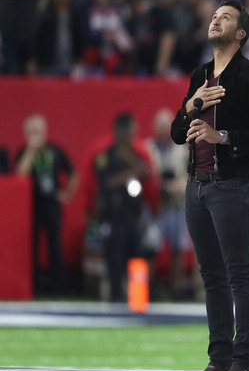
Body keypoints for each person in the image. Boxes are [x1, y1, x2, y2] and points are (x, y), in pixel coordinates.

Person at [173, 0, 249, 371]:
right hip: (197, 183)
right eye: (214, 15)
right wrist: (191, 106)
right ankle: (218, 361)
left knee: (238, 273)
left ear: (241, 34)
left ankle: (246, 362)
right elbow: (174, 131)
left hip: (231, 185)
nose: (216, 20)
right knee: (212, 276)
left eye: (226, 17)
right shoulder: (200, 74)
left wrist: (225, 137)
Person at [92, 113, 153, 303]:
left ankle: (137, 299)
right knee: (115, 260)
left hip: (132, 217)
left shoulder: (135, 155)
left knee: (137, 259)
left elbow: (146, 172)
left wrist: (128, 159)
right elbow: (106, 182)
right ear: (121, 131)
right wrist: (129, 174)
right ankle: (116, 299)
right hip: (113, 216)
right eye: (131, 131)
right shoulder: (105, 157)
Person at [15, 114, 78, 296]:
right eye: (32, 131)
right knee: (30, 248)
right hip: (30, 206)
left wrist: (67, 193)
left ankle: (58, 288)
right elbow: (20, 175)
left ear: (45, 131)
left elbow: (73, 172)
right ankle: (32, 286)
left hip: (52, 204)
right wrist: (30, 151)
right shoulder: (23, 152)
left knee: (55, 247)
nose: (36, 135)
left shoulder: (55, 151)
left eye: (39, 131)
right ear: (26, 133)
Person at [145, 108, 190, 299]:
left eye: (166, 126)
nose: (163, 130)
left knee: (178, 249)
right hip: (155, 205)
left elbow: (191, 173)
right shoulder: (146, 148)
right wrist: (158, 186)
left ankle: (176, 288)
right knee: (150, 247)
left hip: (176, 203)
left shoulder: (181, 149)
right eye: (160, 126)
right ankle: (149, 287)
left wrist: (178, 186)